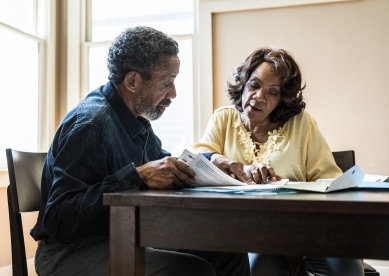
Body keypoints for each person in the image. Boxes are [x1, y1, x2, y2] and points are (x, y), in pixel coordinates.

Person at [30, 26, 250, 276]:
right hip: (68, 251)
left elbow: (163, 164)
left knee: (228, 250)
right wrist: (136, 177)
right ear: (133, 81)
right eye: (167, 83)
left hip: (122, 237)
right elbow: (59, 220)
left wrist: (213, 160)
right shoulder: (90, 125)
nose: (174, 93)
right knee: (191, 269)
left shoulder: (134, 120)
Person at [193, 46, 364, 276]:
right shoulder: (223, 119)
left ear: (282, 98)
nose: (259, 97)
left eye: (272, 92)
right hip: (247, 235)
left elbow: (330, 179)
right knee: (263, 268)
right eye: (254, 85)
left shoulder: (302, 124)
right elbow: (199, 159)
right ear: (243, 83)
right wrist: (225, 161)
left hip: (305, 232)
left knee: (347, 266)